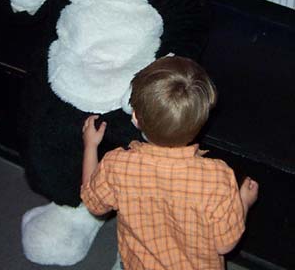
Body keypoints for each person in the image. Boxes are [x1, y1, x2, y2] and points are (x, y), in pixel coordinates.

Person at [81, 56, 259, 270]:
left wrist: (91, 146)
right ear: (201, 122)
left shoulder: (117, 165)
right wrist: (243, 203)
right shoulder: (218, 178)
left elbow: (93, 203)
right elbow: (225, 245)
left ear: (135, 117)